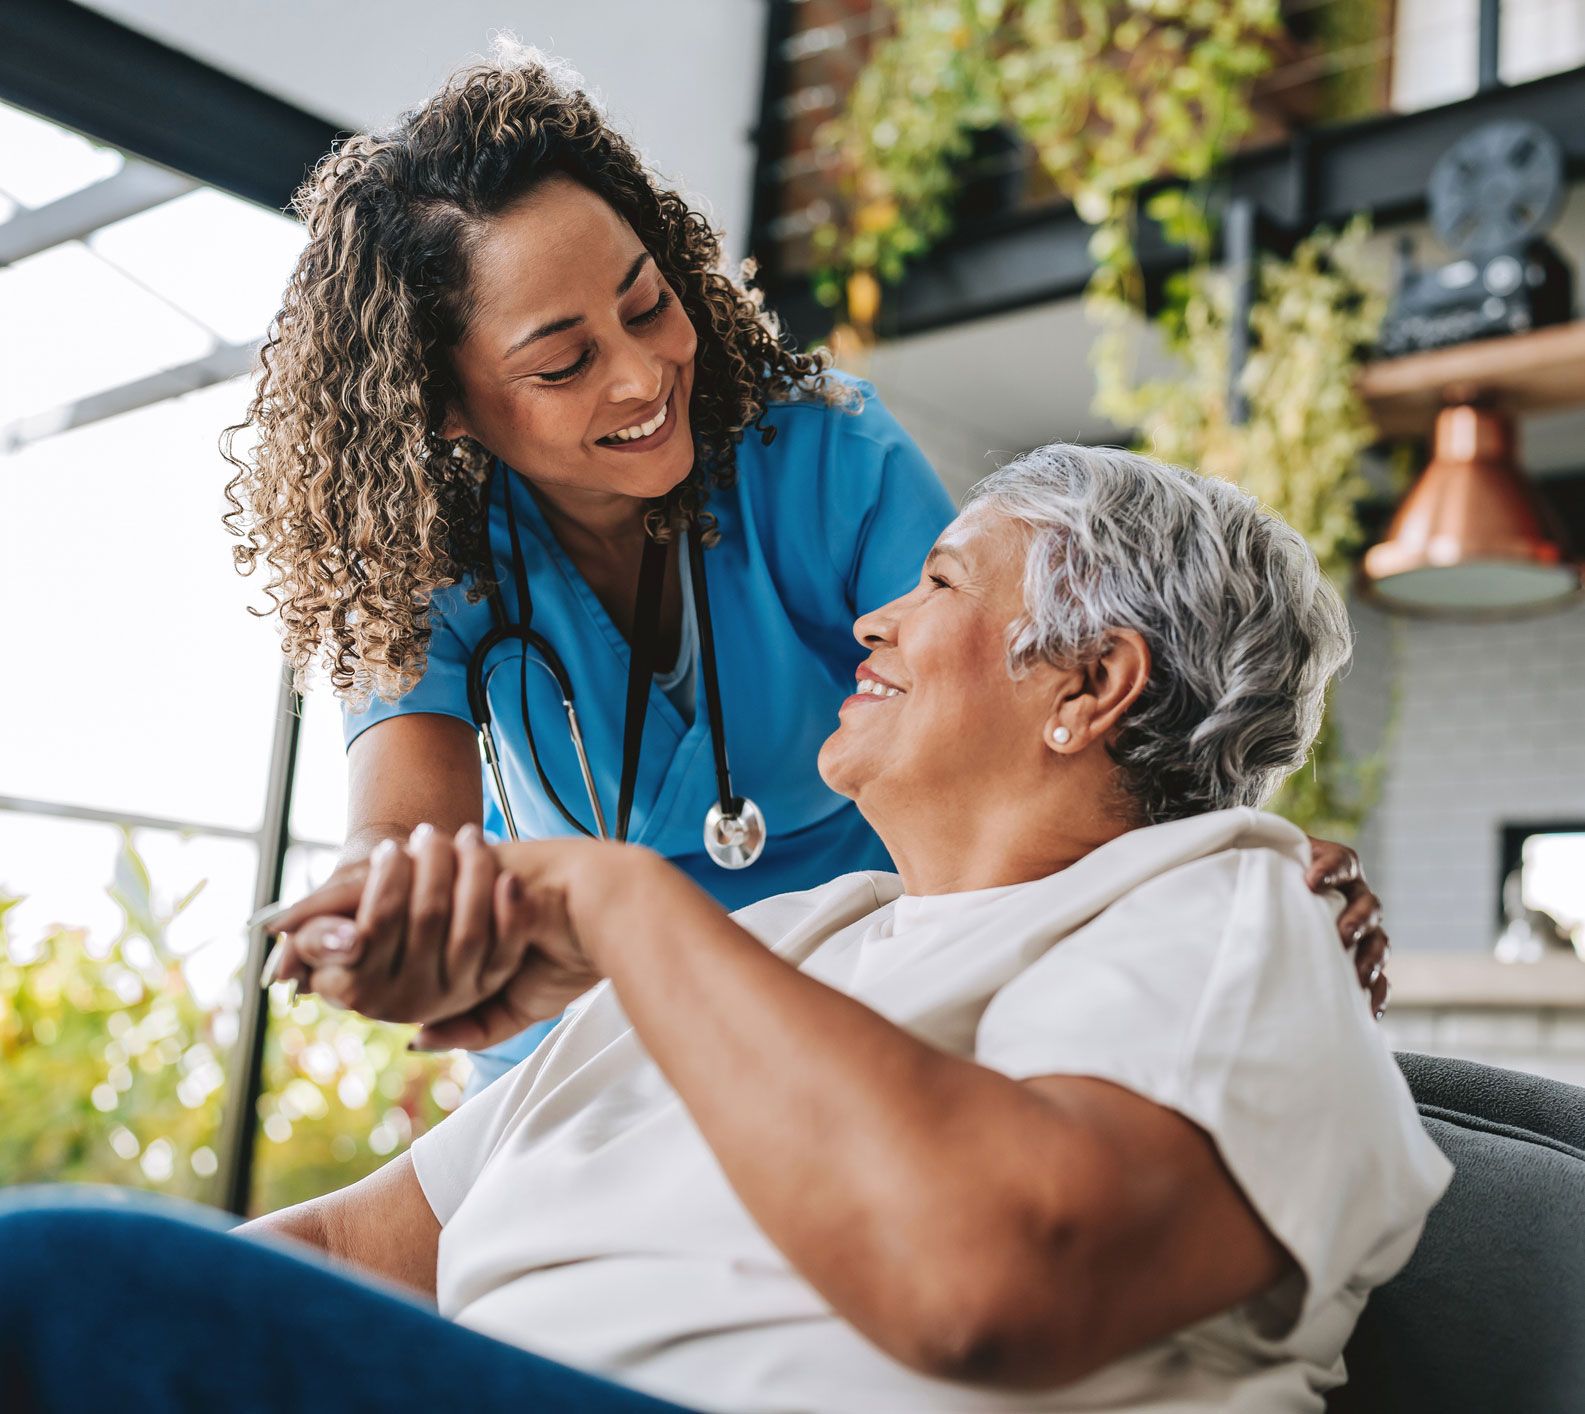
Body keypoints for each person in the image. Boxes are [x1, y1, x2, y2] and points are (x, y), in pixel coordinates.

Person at [8, 444, 1450, 1414]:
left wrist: (619, 894)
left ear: (1089, 684)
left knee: (63, 1284)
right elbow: (345, 1246)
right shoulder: (788, 941)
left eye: (939, 582)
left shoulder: (1222, 916)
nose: (871, 623)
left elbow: (988, 1283)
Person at [224, 48, 1391, 1086]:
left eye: (646, 304)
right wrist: (382, 917)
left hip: (850, 1016)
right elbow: (402, 839)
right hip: (575, 1058)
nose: (640, 376)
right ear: (444, 409)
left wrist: (1227, 873)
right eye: (564, 362)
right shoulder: (430, 553)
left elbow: (1031, 719)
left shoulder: (825, 458)